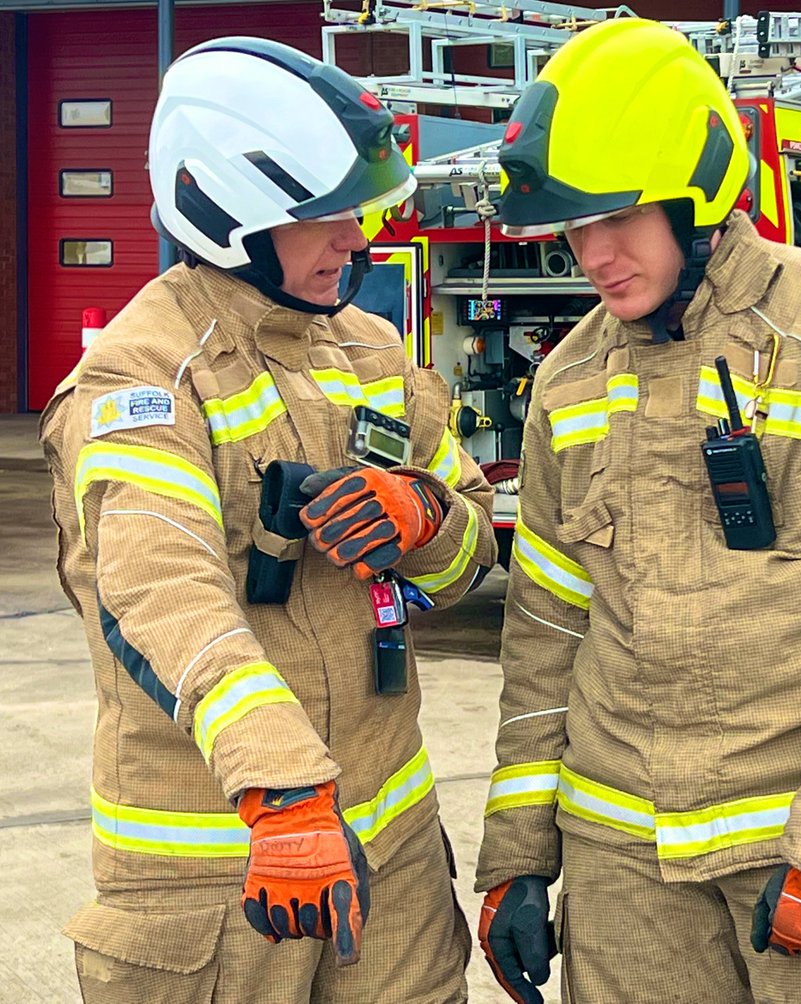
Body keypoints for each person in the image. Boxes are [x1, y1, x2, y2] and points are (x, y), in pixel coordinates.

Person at [474, 17, 801, 1004]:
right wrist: (518, 855)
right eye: (575, 226)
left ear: (699, 192)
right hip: (624, 870)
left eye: (616, 217)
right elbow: (545, 631)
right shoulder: (570, 379)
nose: (594, 252)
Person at [39, 37, 495, 1004]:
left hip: (396, 874)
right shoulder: (145, 375)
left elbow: (465, 569)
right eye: (325, 213)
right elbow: (158, 591)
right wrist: (283, 792)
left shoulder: (372, 351)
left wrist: (424, 520)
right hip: (221, 883)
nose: (356, 239)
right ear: (232, 210)